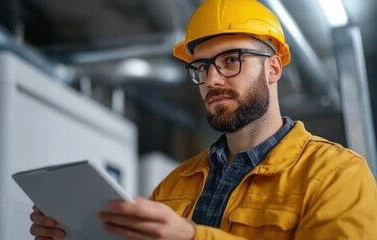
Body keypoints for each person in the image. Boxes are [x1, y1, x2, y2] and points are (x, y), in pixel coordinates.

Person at [29, 0, 377, 239]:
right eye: (202, 66)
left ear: (273, 68)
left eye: (230, 61)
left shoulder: (336, 174)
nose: (211, 80)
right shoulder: (173, 186)